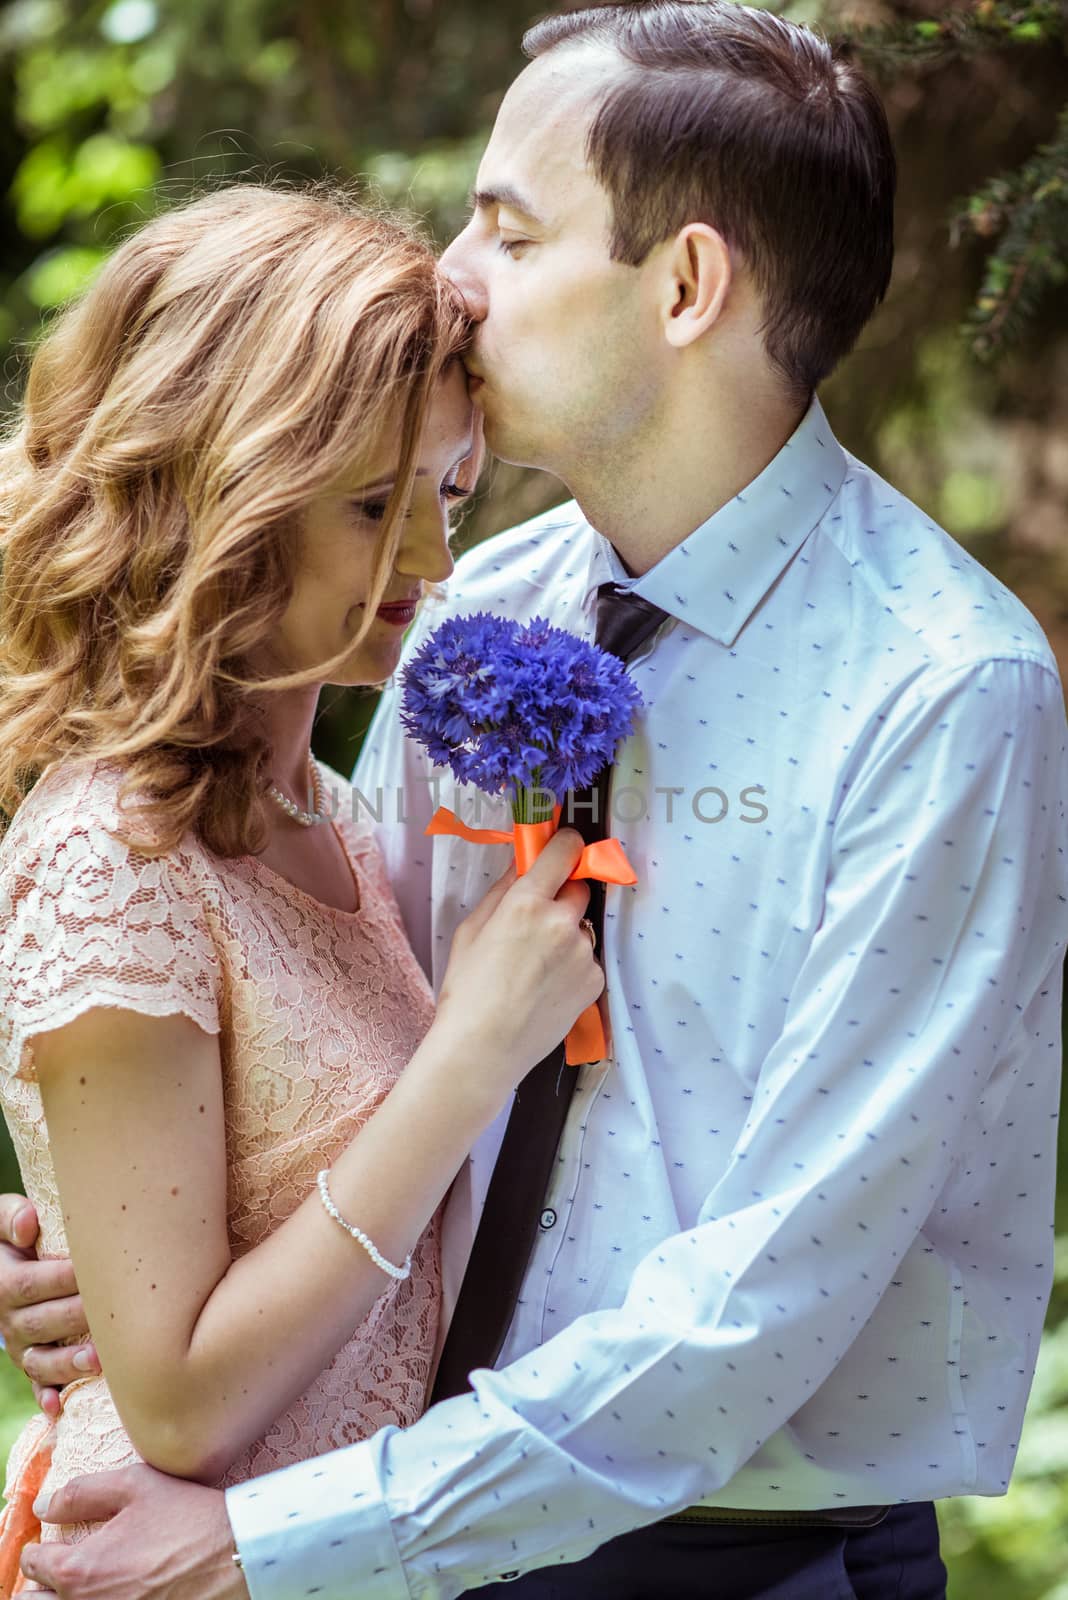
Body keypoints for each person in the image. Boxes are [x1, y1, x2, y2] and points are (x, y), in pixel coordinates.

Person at [4, 3, 1068, 1597]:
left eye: (506, 227)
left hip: (737, 1557)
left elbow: (777, 1288)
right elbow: (352, 1038)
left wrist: (279, 1540)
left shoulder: (938, 696)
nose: (448, 271)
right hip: (407, 1519)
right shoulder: (471, 611)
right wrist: (144, 1263)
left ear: (687, 286)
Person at [0, 182, 603, 1594]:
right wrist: (469, 1056)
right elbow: (185, 1405)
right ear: (220, 488)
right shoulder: (112, 856)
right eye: (372, 505)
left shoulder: (327, 808)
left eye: (448, 496)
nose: (433, 567)